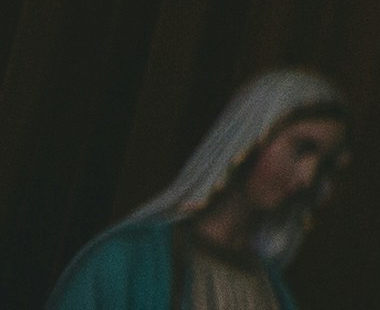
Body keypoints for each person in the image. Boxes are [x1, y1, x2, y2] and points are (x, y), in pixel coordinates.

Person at [41, 77, 346, 310]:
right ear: (252, 138)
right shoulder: (127, 260)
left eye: (324, 165)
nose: (308, 178)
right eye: (302, 149)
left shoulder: (274, 291)